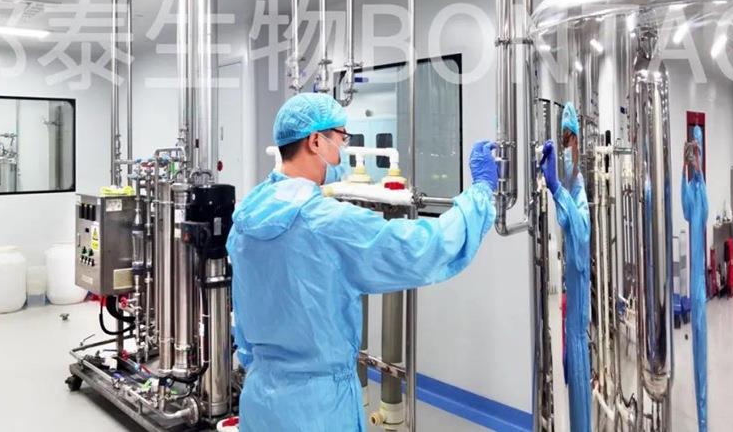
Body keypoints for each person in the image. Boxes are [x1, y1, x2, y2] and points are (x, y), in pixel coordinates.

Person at [227, 92, 499, 432]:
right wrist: (480, 195)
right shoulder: (326, 222)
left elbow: (243, 322)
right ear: (315, 141)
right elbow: (422, 249)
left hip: (262, 401)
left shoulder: (246, 219)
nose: (342, 152)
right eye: (342, 139)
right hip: (318, 411)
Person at [539, 102, 591, 432]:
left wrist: (557, 188)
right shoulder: (571, 187)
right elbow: (563, 219)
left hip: (578, 314)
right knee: (570, 382)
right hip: (569, 307)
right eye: (563, 139)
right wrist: (553, 186)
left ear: (578, 142)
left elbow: (581, 230)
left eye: (569, 138)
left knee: (579, 386)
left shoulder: (578, 186)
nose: (566, 145)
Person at [682, 125, 708, 432]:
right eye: (692, 151)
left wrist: (698, 171)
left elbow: (703, 212)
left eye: (697, 151)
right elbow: (686, 211)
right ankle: (702, 421)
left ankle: (704, 420)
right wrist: (683, 168)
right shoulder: (690, 187)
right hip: (695, 277)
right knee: (696, 340)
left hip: (700, 278)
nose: (694, 156)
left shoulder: (702, 188)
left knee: (702, 340)